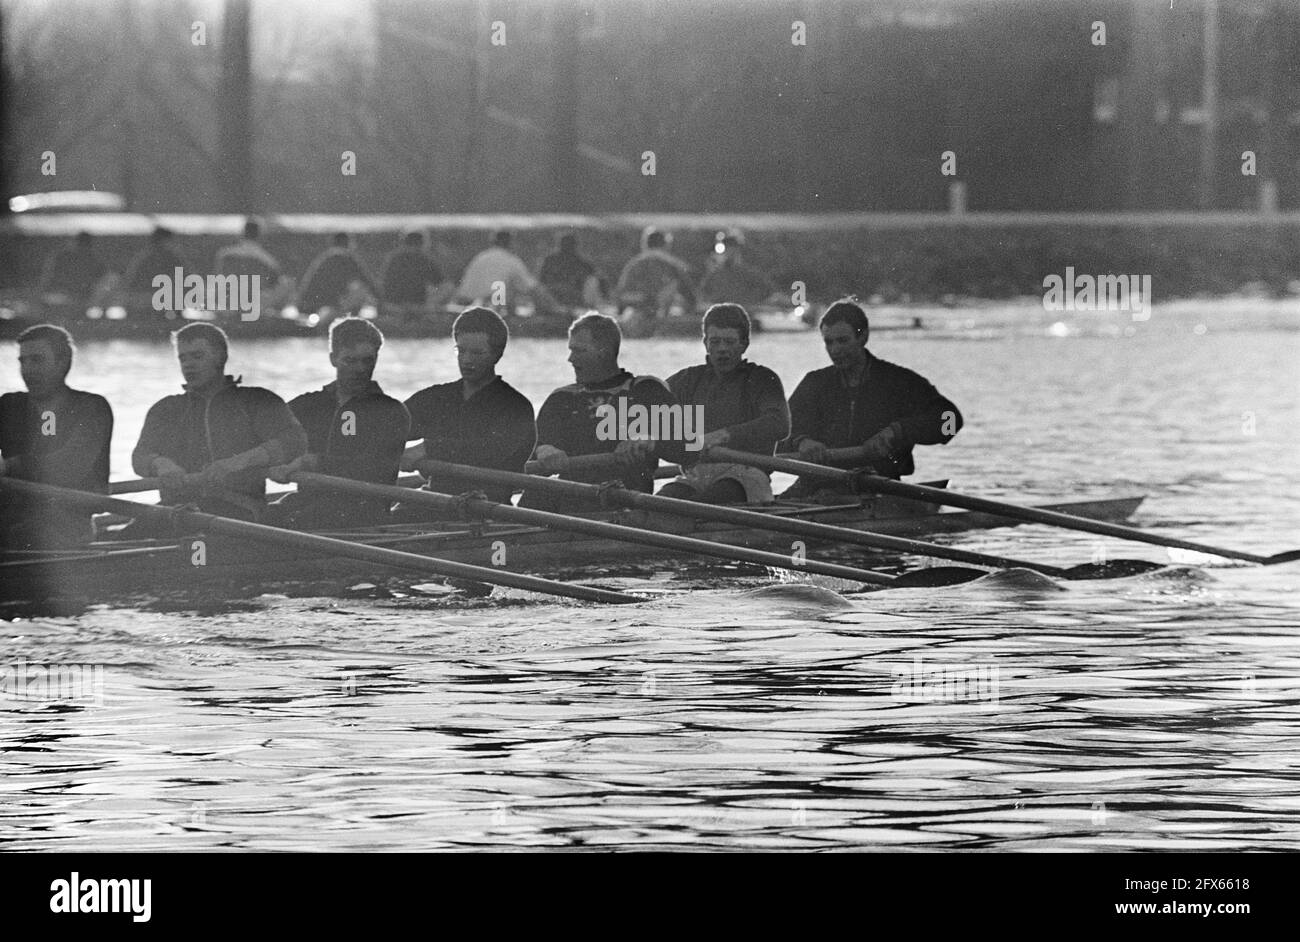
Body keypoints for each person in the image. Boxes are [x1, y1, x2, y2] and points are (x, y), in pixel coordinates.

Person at [783, 299, 963, 499]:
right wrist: (801, 441)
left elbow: (951, 420)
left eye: (843, 341)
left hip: (878, 487)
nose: (834, 350)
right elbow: (778, 431)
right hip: (817, 487)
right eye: (828, 342)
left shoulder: (897, 381)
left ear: (863, 337)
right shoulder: (815, 383)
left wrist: (898, 431)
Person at [132, 323, 307, 521]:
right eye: (183, 358)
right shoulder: (164, 409)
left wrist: (238, 462)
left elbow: (294, 442)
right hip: (174, 511)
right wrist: (160, 464)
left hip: (239, 510)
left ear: (221, 357)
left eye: (197, 356)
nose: (188, 365)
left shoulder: (257, 400)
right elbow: (140, 457)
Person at [524, 312, 683, 511]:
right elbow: (527, 456)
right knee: (534, 495)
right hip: (571, 500)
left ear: (604, 352)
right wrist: (542, 450)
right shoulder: (562, 399)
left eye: (579, 350)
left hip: (623, 502)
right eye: (571, 350)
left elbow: (689, 448)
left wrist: (651, 440)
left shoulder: (646, 391)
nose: (570, 358)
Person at [268, 318, 410, 528]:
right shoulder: (308, 405)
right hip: (307, 502)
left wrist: (312, 462)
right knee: (258, 514)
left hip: (361, 514)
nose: (360, 369)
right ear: (333, 359)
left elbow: (372, 470)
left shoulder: (390, 411)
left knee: (293, 521)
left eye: (367, 361)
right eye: (350, 361)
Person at [403, 307, 535, 505]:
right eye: (461, 350)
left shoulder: (515, 406)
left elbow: (491, 451)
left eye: (477, 353)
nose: (466, 360)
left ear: (496, 355)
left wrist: (428, 448)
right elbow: (389, 423)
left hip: (488, 507)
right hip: (436, 500)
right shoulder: (437, 397)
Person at [660, 303, 789, 503]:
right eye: (715, 341)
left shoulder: (762, 379)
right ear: (705, 343)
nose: (722, 350)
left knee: (700, 505)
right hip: (696, 475)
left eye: (729, 342)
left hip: (746, 475)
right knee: (661, 503)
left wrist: (722, 436)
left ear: (744, 344)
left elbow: (779, 424)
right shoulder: (688, 380)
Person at [0, 325, 113, 549]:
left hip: (65, 525)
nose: (28, 370)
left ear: (63, 363)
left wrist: (7, 466)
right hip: (11, 518)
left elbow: (69, 464)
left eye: (37, 360)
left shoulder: (92, 407)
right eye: (23, 361)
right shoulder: (10, 405)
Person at [454, 229, 559, 315]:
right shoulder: (511, 260)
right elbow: (533, 288)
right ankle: (555, 311)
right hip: (493, 304)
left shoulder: (480, 257)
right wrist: (554, 306)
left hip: (469, 302)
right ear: (509, 243)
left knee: (505, 287)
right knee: (513, 288)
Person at [613, 226, 695, 325]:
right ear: (666, 245)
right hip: (658, 310)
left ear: (645, 244)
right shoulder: (672, 264)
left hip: (634, 310)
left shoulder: (633, 264)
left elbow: (620, 296)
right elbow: (690, 296)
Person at [213, 217, 291, 312]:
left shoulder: (224, 256)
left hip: (227, 307)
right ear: (261, 236)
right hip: (252, 309)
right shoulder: (268, 261)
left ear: (242, 233)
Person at [296, 232, 377, 318]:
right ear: (348, 243)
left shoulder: (323, 259)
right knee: (358, 292)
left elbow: (306, 285)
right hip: (329, 305)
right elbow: (368, 282)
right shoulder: (349, 259)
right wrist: (380, 300)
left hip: (311, 306)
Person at [37, 231, 115, 312]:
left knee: (111, 279)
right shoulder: (61, 258)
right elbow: (47, 279)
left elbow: (107, 280)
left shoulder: (94, 260)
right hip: (60, 297)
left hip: (79, 300)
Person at [698, 229, 777, 307]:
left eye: (733, 246)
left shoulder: (752, 275)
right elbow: (703, 297)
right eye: (727, 246)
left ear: (739, 248)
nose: (730, 250)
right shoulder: (714, 276)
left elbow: (770, 294)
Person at [378, 229, 452, 312]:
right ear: (423, 244)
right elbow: (446, 287)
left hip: (392, 306)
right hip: (417, 307)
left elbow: (382, 285)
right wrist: (434, 302)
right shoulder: (424, 259)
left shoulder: (393, 259)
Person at [122, 226, 187, 314]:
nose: (173, 245)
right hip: (149, 305)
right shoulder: (172, 258)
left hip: (144, 305)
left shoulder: (143, 257)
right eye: (170, 242)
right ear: (165, 241)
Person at [538, 232, 603, 309]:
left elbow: (541, 281)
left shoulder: (583, 263)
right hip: (563, 297)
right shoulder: (550, 260)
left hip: (567, 297)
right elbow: (542, 281)